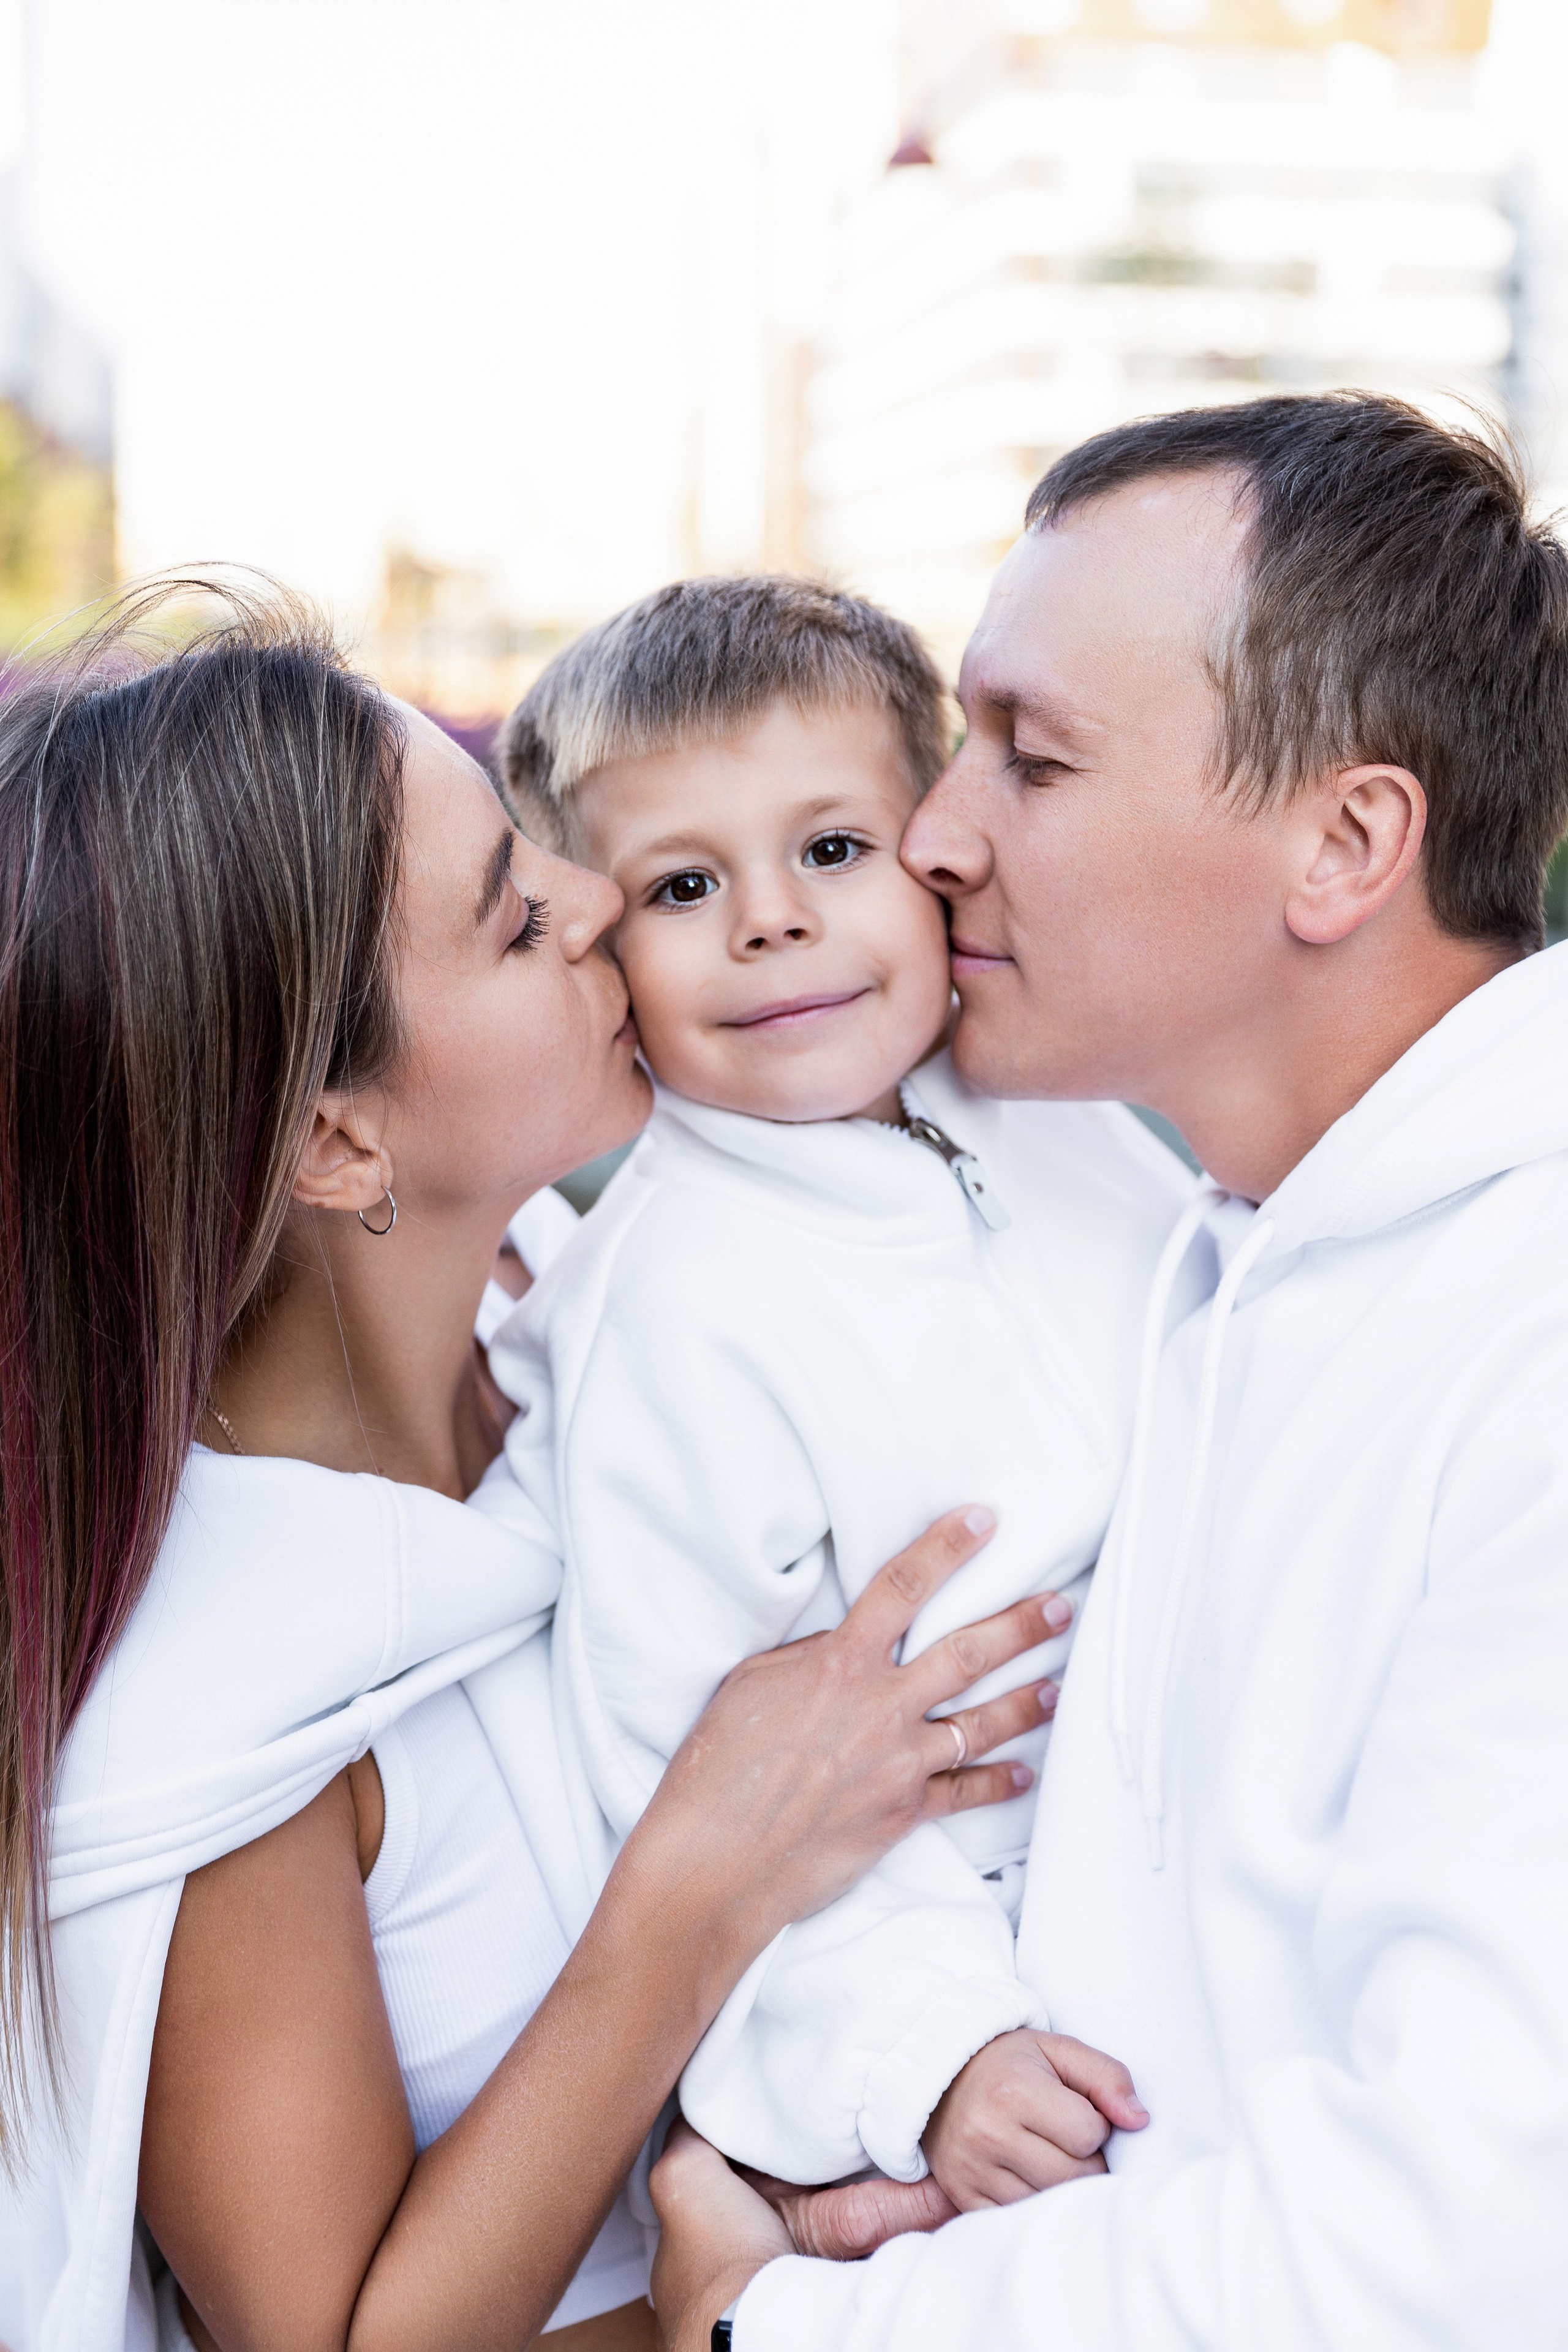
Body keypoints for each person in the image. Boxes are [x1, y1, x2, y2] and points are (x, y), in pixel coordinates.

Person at [0, 586, 1063, 2352]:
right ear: (340, 1140)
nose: (594, 899)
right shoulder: (220, 1708)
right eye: (512, 919)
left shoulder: (581, 1332)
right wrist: (698, 1901)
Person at [650, 392, 1568, 2352]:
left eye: (1032, 759)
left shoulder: (1531, 1332)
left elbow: (1478, 2235)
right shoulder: (1221, 1242)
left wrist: (784, 2330)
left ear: (1346, 841)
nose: (935, 834)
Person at [485, 576, 1188, 2199]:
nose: (770, 922)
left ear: (933, 848)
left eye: (830, 849)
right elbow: (684, 1772)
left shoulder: (1058, 1106)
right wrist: (929, 2054)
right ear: (601, 951)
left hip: (1213, 1822)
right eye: (681, 884)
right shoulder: (670, 1307)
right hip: (997, 1969)